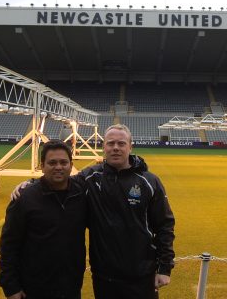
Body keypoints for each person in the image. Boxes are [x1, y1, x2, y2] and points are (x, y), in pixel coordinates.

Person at [12, 124, 175, 299]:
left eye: (121, 143)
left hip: (141, 275)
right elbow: (61, 178)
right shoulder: (90, 177)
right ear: (104, 147)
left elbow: (165, 225)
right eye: (110, 143)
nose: (115, 148)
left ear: (130, 146)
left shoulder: (149, 182)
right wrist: (30, 184)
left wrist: (164, 268)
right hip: (104, 277)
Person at [0, 140, 87, 299]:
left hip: (71, 288)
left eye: (63, 162)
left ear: (71, 165)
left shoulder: (82, 194)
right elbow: (8, 247)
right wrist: (11, 287)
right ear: (42, 165)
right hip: (34, 289)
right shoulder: (24, 198)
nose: (58, 167)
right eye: (52, 162)